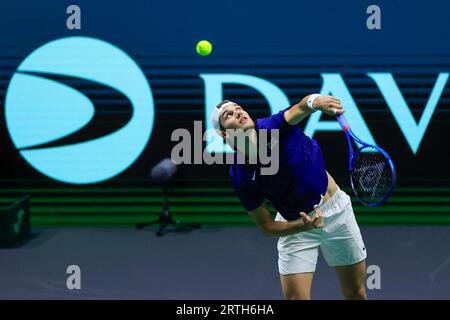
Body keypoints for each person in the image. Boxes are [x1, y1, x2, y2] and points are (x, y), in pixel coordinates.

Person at [211, 95, 367, 300]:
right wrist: (303, 226)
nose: (238, 112)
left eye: (239, 108)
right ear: (224, 133)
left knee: (356, 293)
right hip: (296, 224)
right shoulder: (240, 174)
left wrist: (316, 102)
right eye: (228, 115)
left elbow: (301, 107)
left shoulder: (272, 127)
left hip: (337, 212)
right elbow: (266, 226)